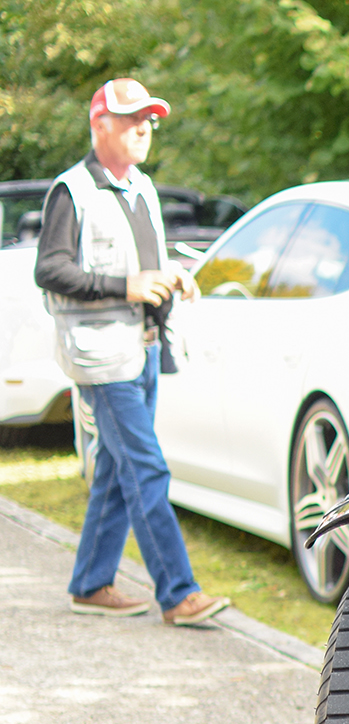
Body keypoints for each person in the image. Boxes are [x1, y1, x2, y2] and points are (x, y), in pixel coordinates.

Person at [35, 79, 228, 627]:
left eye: (150, 118)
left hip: (142, 350)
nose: (144, 127)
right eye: (131, 118)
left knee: (119, 471)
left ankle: (90, 583)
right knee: (146, 469)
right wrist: (129, 284)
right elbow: (49, 270)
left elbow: (145, 269)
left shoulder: (140, 186)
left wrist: (175, 278)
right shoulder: (71, 191)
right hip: (101, 357)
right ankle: (179, 593)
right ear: (99, 125)